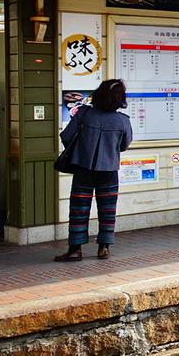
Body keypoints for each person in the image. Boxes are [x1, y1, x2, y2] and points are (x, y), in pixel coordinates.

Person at [55, 79, 132, 261]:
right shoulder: (123, 121)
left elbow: (66, 136)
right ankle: (104, 248)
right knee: (107, 210)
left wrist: (81, 149)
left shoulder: (84, 114)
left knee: (79, 209)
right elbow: (124, 145)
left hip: (83, 167)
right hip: (109, 170)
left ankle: (75, 249)